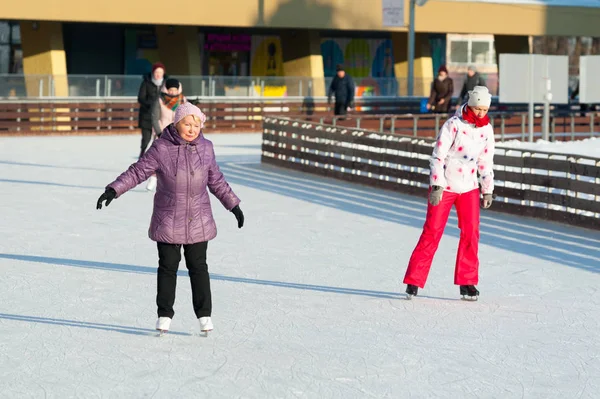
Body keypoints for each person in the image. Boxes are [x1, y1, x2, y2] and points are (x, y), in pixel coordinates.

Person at [96, 102, 245, 335]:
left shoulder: (206, 148)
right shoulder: (161, 148)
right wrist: (114, 190)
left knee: (199, 267)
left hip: (198, 219)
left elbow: (216, 180)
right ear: (177, 123)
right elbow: (138, 172)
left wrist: (233, 204)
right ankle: (164, 315)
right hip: (168, 218)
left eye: (196, 125)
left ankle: (204, 315)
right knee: (167, 267)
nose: (192, 129)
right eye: (188, 123)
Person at [403, 86, 495, 300]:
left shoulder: (486, 129)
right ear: (470, 104)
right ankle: (413, 280)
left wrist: (487, 189)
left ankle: (467, 282)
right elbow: (437, 156)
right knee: (432, 230)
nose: (480, 113)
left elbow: (486, 161)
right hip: (446, 184)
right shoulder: (453, 125)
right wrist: (437, 185)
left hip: (469, 186)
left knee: (471, 232)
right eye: (477, 108)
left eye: (484, 109)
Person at [146, 77, 187, 191]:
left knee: (177, 160)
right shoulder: (159, 100)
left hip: (177, 134)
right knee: (159, 158)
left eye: (174, 90)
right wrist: (159, 133)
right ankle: (153, 177)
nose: (172, 92)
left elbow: (186, 117)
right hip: (162, 132)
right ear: (166, 89)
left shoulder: (182, 100)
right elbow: (155, 118)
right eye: (170, 90)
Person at [137, 62, 167, 159]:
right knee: (146, 138)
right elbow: (141, 98)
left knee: (160, 138)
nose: (158, 74)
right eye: (156, 72)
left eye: (160, 72)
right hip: (147, 115)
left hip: (160, 117)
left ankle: (158, 157)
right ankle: (142, 154)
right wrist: (151, 105)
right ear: (153, 72)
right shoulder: (146, 82)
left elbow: (170, 97)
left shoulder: (165, 83)